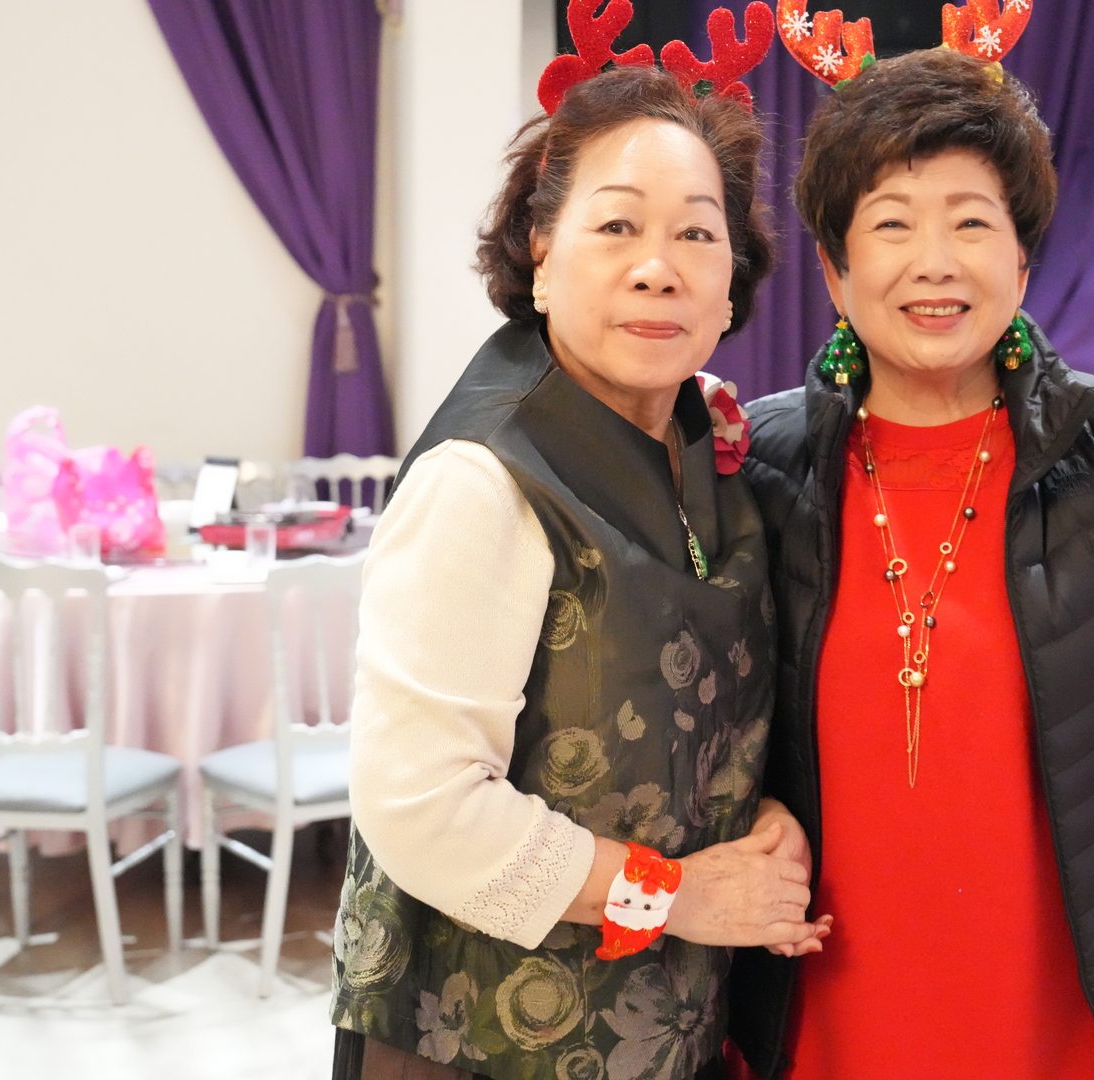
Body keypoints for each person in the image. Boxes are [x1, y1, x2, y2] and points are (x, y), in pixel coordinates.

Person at [728, 28, 1094, 1080]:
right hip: (822, 1023)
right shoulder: (759, 467)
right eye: (892, 223)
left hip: (1069, 1026)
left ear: (1021, 263)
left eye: (972, 222)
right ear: (836, 272)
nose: (935, 261)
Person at [328, 46, 828, 1080]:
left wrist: (754, 812)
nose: (659, 266)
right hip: (475, 1041)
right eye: (617, 227)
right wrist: (678, 895)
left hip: (660, 1028)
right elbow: (421, 809)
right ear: (541, 254)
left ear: (732, 286)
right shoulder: (482, 481)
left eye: (698, 232)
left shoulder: (704, 441)